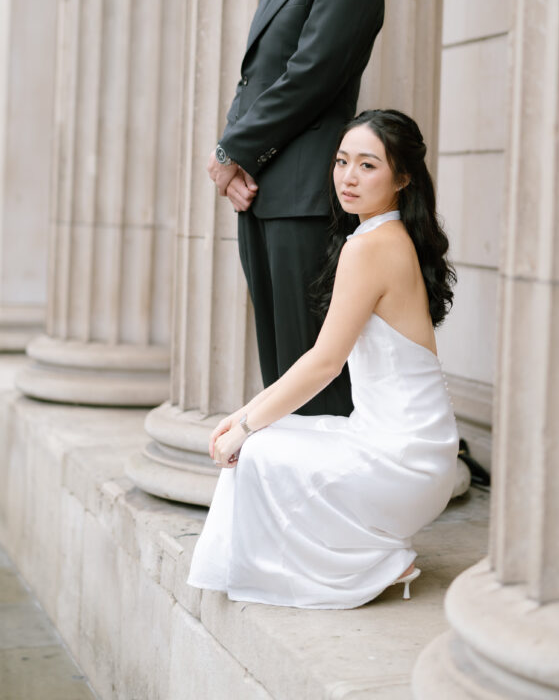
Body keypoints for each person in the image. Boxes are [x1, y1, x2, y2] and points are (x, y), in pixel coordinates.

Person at [188, 110, 459, 609]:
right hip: (411, 449)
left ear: (402, 178)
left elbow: (324, 362)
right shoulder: (381, 237)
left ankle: (376, 557)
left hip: (403, 460)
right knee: (269, 438)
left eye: (367, 165)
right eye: (341, 161)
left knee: (255, 451)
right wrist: (245, 416)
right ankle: (375, 552)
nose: (348, 177)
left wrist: (244, 425)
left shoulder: (374, 246)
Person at [207, 0, 384, 418]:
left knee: (311, 364)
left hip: (306, 191)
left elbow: (310, 77)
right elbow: (254, 79)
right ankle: (285, 493)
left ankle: (322, 500)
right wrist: (237, 165)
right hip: (265, 188)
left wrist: (232, 151)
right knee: (279, 362)